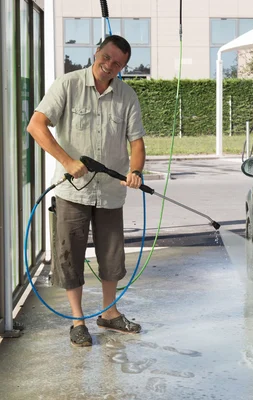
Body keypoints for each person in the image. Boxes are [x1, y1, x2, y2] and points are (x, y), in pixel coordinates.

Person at [27, 35, 146, 347]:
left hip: (109, 192)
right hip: (72, 191)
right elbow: (36, 125)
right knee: (70, 257)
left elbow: (136, 142)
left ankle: (110, 314)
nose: (109, 65)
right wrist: (67, 161)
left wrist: (135, 171)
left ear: (123, 67)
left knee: (111, 258)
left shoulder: (127, 96)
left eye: (117, 63)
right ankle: (78, 321)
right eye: (106, 57)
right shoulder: (67, 84)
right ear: (97, 52)